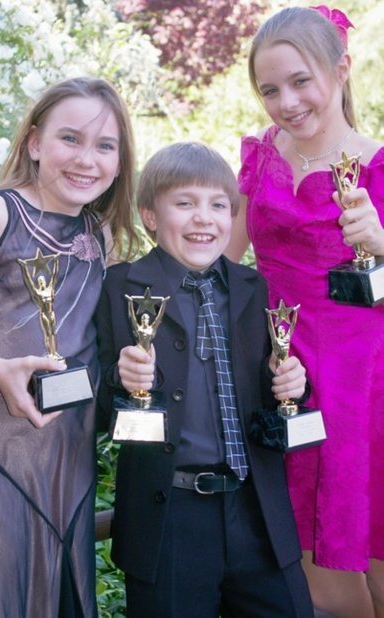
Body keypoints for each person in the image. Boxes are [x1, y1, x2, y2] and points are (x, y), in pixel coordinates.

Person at [0, 76, 137, 617]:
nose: (86, 159)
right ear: (34, 143)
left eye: (104, 146)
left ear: (120, 161)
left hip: (68, 459)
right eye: (70, 138)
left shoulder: (99, 234)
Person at [96, 141, 314, 617]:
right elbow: (92, 405)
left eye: (218, 205)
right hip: (169, 518)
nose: (204, 218)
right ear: (151, 216)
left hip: (257, 514)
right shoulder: (120, 288)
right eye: (185, 203)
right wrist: (118, 376)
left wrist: (293, 385)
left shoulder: (255, 288)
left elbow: (276, 392)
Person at [226, 6, 384, 617]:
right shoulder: (261, 155)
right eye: (269, 89)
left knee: (369, 555)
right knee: (316, 572)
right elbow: (225, 259)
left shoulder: (377, 164)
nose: (285, 101)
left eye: (299, 80)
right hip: (286, 373)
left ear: (341, 69)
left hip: (363, 380)